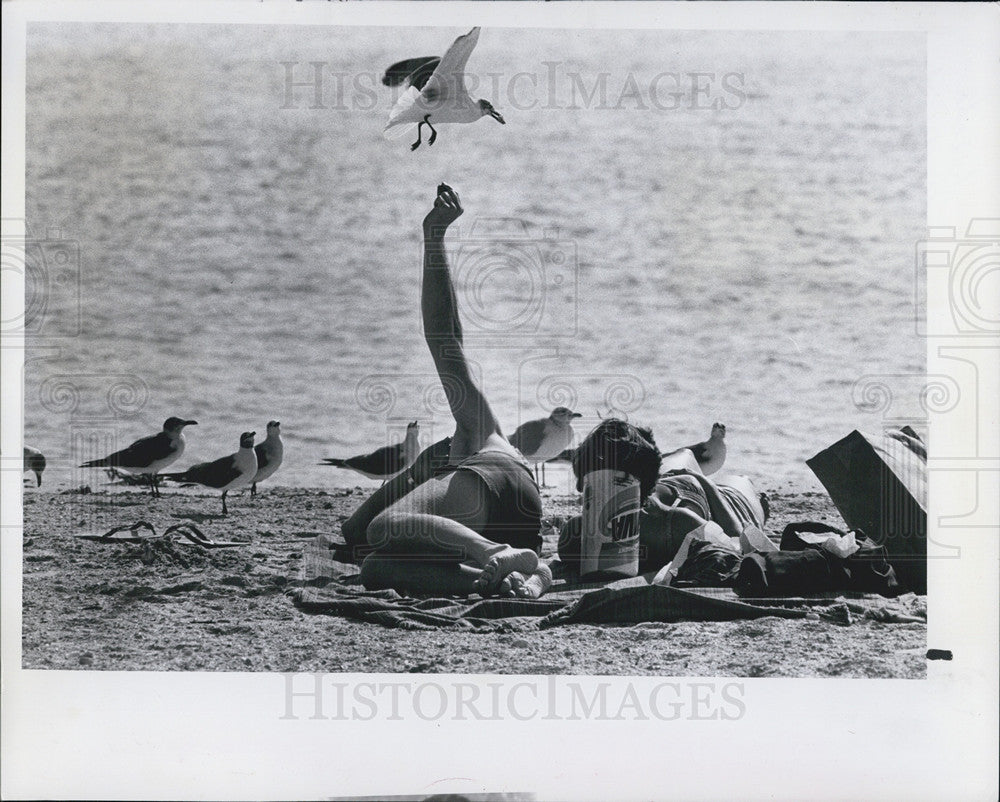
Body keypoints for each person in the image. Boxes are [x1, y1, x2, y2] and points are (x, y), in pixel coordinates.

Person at [346, 184, 551, 599]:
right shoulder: (463, 456)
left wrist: (434, 237)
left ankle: (494, 552)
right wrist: (420, 472)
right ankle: (500, 580)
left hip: (491, 493)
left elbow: (445, 339)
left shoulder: (478, 433)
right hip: (517, 515)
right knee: (375, 567)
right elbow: (354, 536)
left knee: (384, 527)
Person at [559, 445, 769, 572]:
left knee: (741, 481)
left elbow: (739, 541)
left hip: (704, 493)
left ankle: (702, 477)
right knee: (686, 453)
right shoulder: (577, 533)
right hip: (668, 484)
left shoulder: (677, 522)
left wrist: (704, 482)